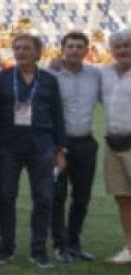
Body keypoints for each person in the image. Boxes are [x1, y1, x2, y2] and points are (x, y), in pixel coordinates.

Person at [0, 34, 65, 268]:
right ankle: (6, 247)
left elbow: (58, 117)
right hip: (8, 145)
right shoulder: (1, 79)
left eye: (26, 48)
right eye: (17, 48)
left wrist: (60, 150)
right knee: (7, 197)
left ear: (38, 52)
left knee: (43, 198)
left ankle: (38, 249)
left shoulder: (50, 81)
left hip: (41, 144)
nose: (21, 52)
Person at [47, 31, 102, 262]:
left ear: (87, 50)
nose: (75, 50)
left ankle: (74, 242)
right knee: (57, 196)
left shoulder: (95, 75)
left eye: (80, 47)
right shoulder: (51, 75)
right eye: (70, 46)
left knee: (82, 197)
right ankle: (60, 245)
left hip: (86, 143)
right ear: (62, 49)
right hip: (59, 144)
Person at [100, 29, 131, 265]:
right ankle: (129, 248)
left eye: (127, 45)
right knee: (123, 198)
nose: (123, 50)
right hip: (113, 144)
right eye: (118, 47)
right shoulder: (105, 74)